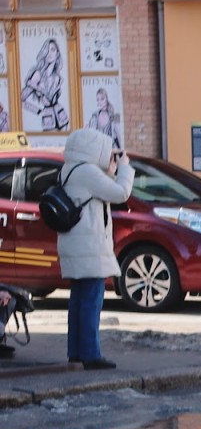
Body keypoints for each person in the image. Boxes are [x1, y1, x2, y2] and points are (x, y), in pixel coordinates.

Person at [56, 126, 133, 371]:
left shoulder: (70, 169)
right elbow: (120, 193)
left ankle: (76, 352)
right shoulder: (87, 171)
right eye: (106, 149)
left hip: (76, 244)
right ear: (94, 148)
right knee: (91, 300)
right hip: (89, 246)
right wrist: (125, 169)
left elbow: (98, 194)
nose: (109, 153)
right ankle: (91, 354)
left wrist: (110, 172)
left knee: (79, 300)